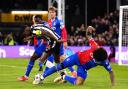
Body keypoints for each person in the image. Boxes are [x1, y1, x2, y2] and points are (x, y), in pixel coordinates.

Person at [32, 26, 115, 86]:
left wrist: (113, 84)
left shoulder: (104, 61)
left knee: (79, 83)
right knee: (60, 66)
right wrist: (89, 28)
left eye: (96, 60)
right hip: (77, 57)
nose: (94, 59)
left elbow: (111, 72)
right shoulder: (95, 46)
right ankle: (41, 77)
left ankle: (63, 76)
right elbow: (89, 36)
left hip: (83, 68)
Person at [18, 15, 56, 81]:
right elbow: (39, 34)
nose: (35, 21)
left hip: (49, 44)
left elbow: (42, 34)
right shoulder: (34, 28)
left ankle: (62, 73)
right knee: (36, 58)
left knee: (48, 62)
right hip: (47, 44)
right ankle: (28, 76)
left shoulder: (41, 25)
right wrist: (30, 38)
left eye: (36, 20)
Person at [48, 6, 76, 77]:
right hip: (51, 44)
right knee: (56, 60)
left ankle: (71, 72)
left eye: (53, 12)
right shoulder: (49, 23)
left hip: (58, 44)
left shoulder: (59, 22)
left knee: (61, 59)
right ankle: (64, 74)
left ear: (55, 13)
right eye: (50, 12)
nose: (51, 14)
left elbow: (64, 31)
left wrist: (65, 41)